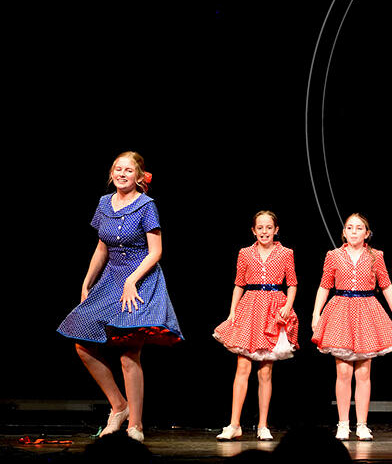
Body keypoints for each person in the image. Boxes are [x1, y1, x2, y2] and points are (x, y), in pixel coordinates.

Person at [57, 152, 182, 442]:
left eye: (128, 170)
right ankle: (119, 406)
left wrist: (132, 281)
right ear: (112, 173)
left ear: (138, 177)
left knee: (129, 352)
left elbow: (156, 251)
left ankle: (135, 425)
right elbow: (102, 248)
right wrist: (87, 282)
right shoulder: (104, 203)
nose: (122, 174)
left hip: (140, 279)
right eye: (118, 169)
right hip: (111, 279)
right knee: (82, 343)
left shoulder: (146, 205)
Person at [311, 213, 392, 441]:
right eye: (349, 227)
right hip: (341, 310)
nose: (354, 231)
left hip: (366, 310)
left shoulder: (375, 256)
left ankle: (362, 424)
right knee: (343, 371)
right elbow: (324, 285)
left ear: (367, 233)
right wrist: (316, 313)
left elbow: (386, 285)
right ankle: (343, 424)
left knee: (363, 372)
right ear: (344, 232)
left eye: (359, 228)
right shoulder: (333, 256)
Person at [212, 211, 299, 440]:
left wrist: (288, 305)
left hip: (273, 310)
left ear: (276, 230)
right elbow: (239, 284)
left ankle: (262, 425)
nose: (264, 231)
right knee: (242, 366)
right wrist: (232, 311)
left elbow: (292, 284)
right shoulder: (245, 253)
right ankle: (234, 424)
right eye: (260, 227)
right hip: (250, 308)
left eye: (269, 227)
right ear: (253, 230)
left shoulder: (285, 253)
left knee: (265, 370)